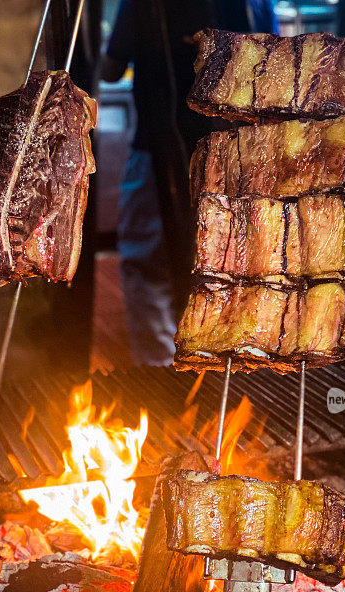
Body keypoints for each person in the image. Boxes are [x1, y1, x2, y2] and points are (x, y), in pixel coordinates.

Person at [101, 0, 278, 365]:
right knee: (232, 261)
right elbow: (273, 64)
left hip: (157, 149)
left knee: (148, 261)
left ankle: (160, 372)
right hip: (235, 154)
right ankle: (221, 366)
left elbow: (110, 69)